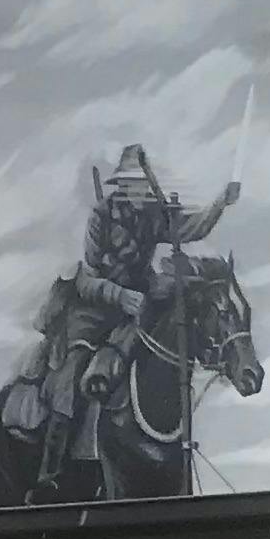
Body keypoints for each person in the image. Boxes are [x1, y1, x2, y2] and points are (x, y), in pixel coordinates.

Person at [37, 144, 238, 480]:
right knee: (71, 376)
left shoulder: (153, 214)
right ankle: (52, 474)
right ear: (123, 185)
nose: (143, 190)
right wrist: (119, 295)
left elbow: (190, 228)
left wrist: (220, 203)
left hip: (139, 308)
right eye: (136, 184)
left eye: (145, 184)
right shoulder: (101, 216)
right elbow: (87, 279)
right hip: (95, 310)